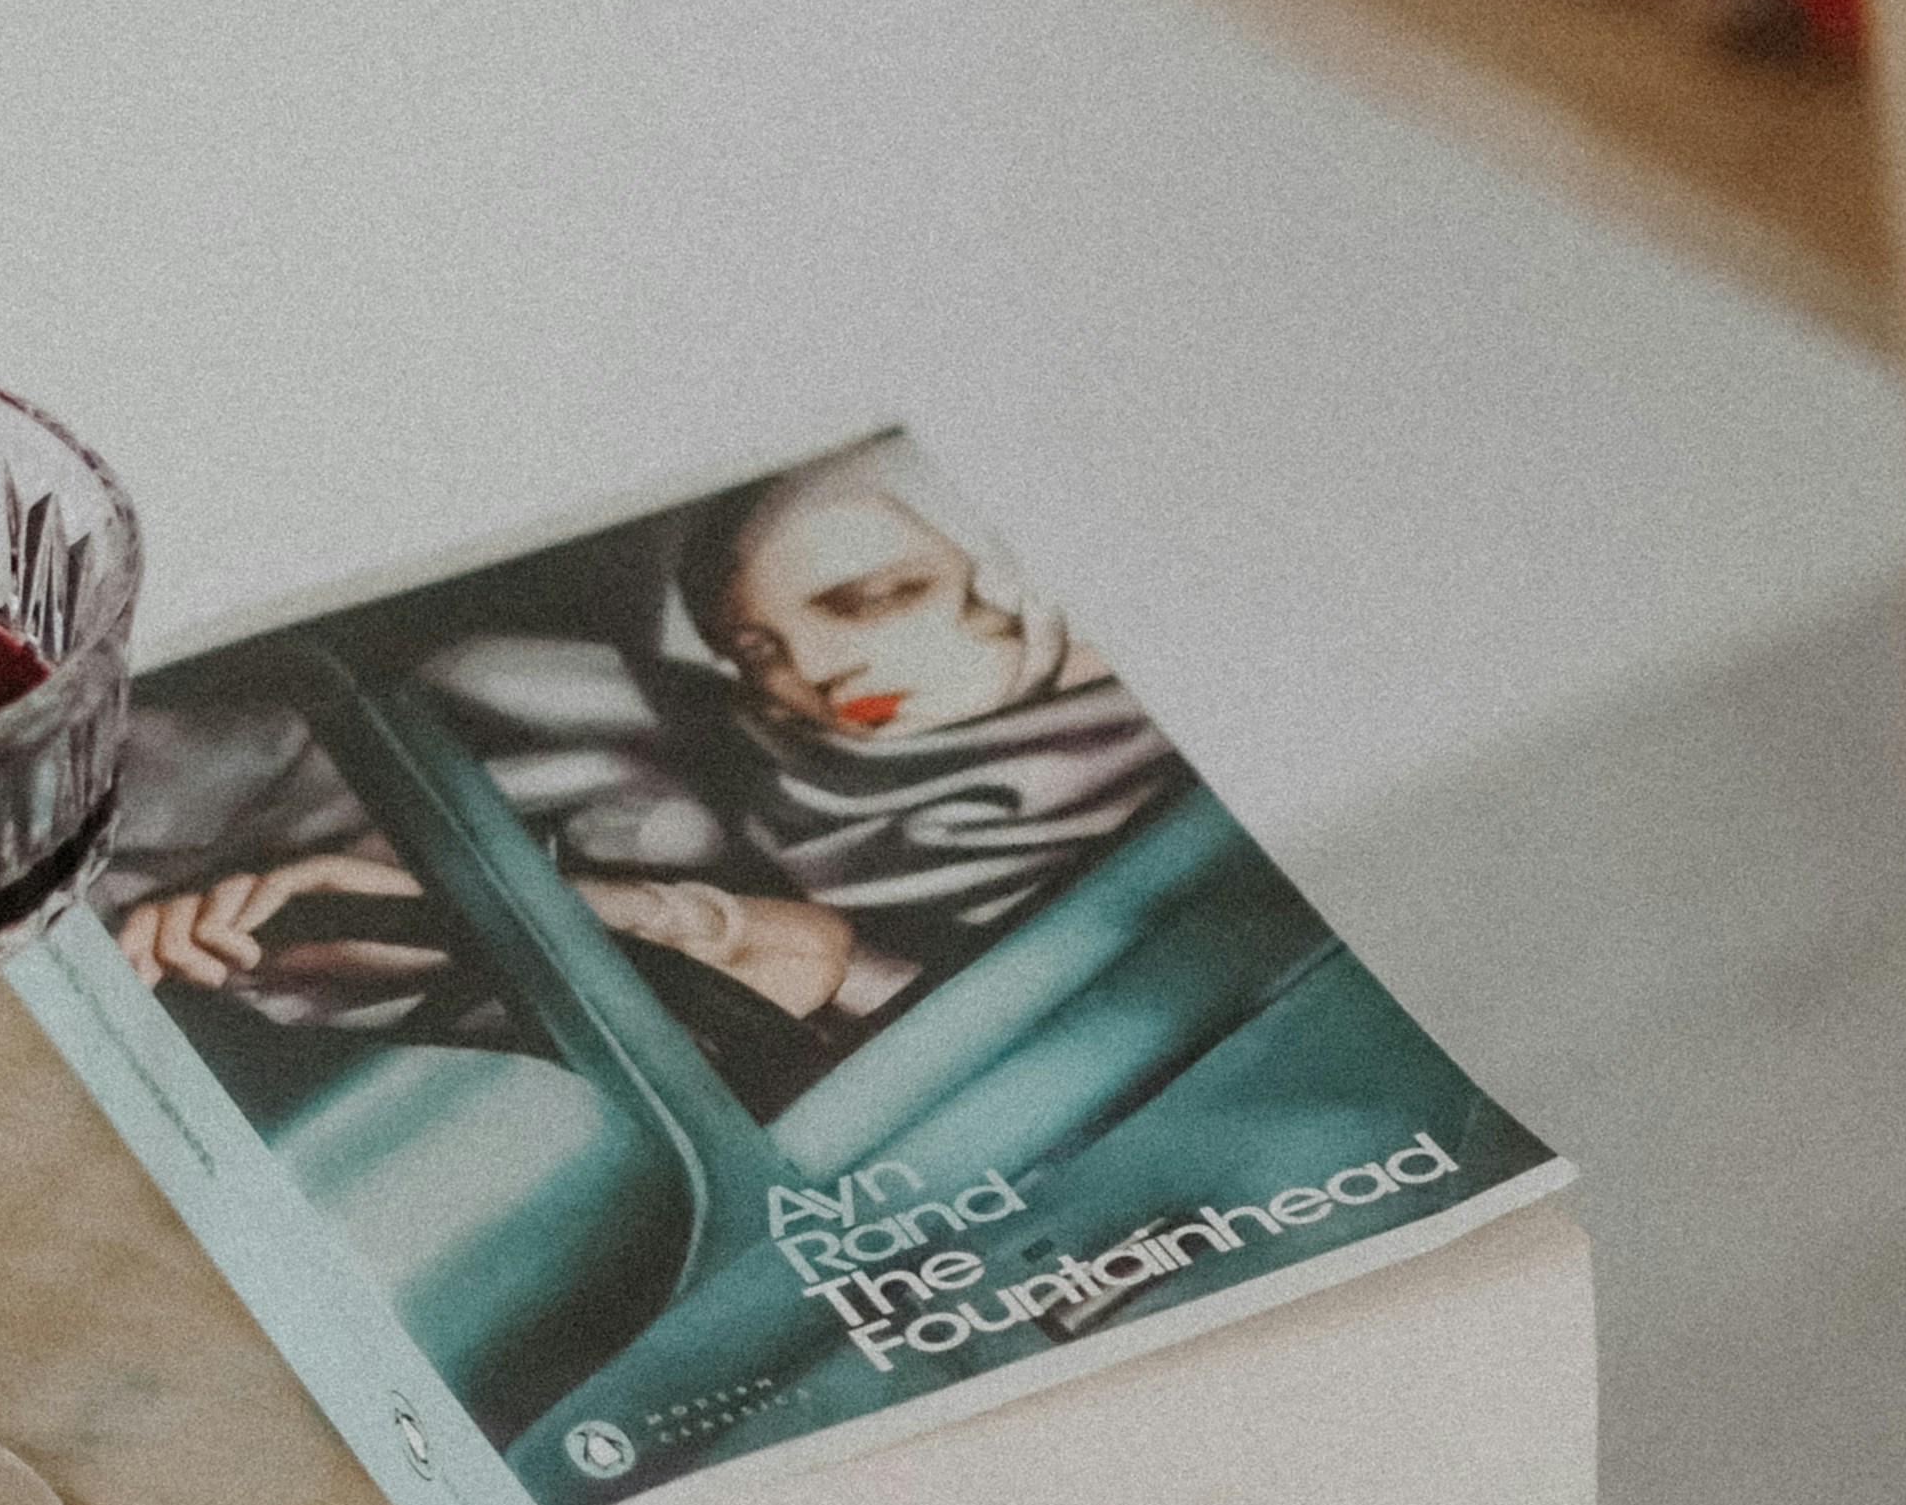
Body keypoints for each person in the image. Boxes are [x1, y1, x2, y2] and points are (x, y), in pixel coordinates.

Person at [110, 433, 1190, 1091]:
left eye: (868, 597)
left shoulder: (1189, 808)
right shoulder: (620, 725)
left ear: (1010, 569)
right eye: (754, 648)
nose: (811, 669)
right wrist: (407, 907)